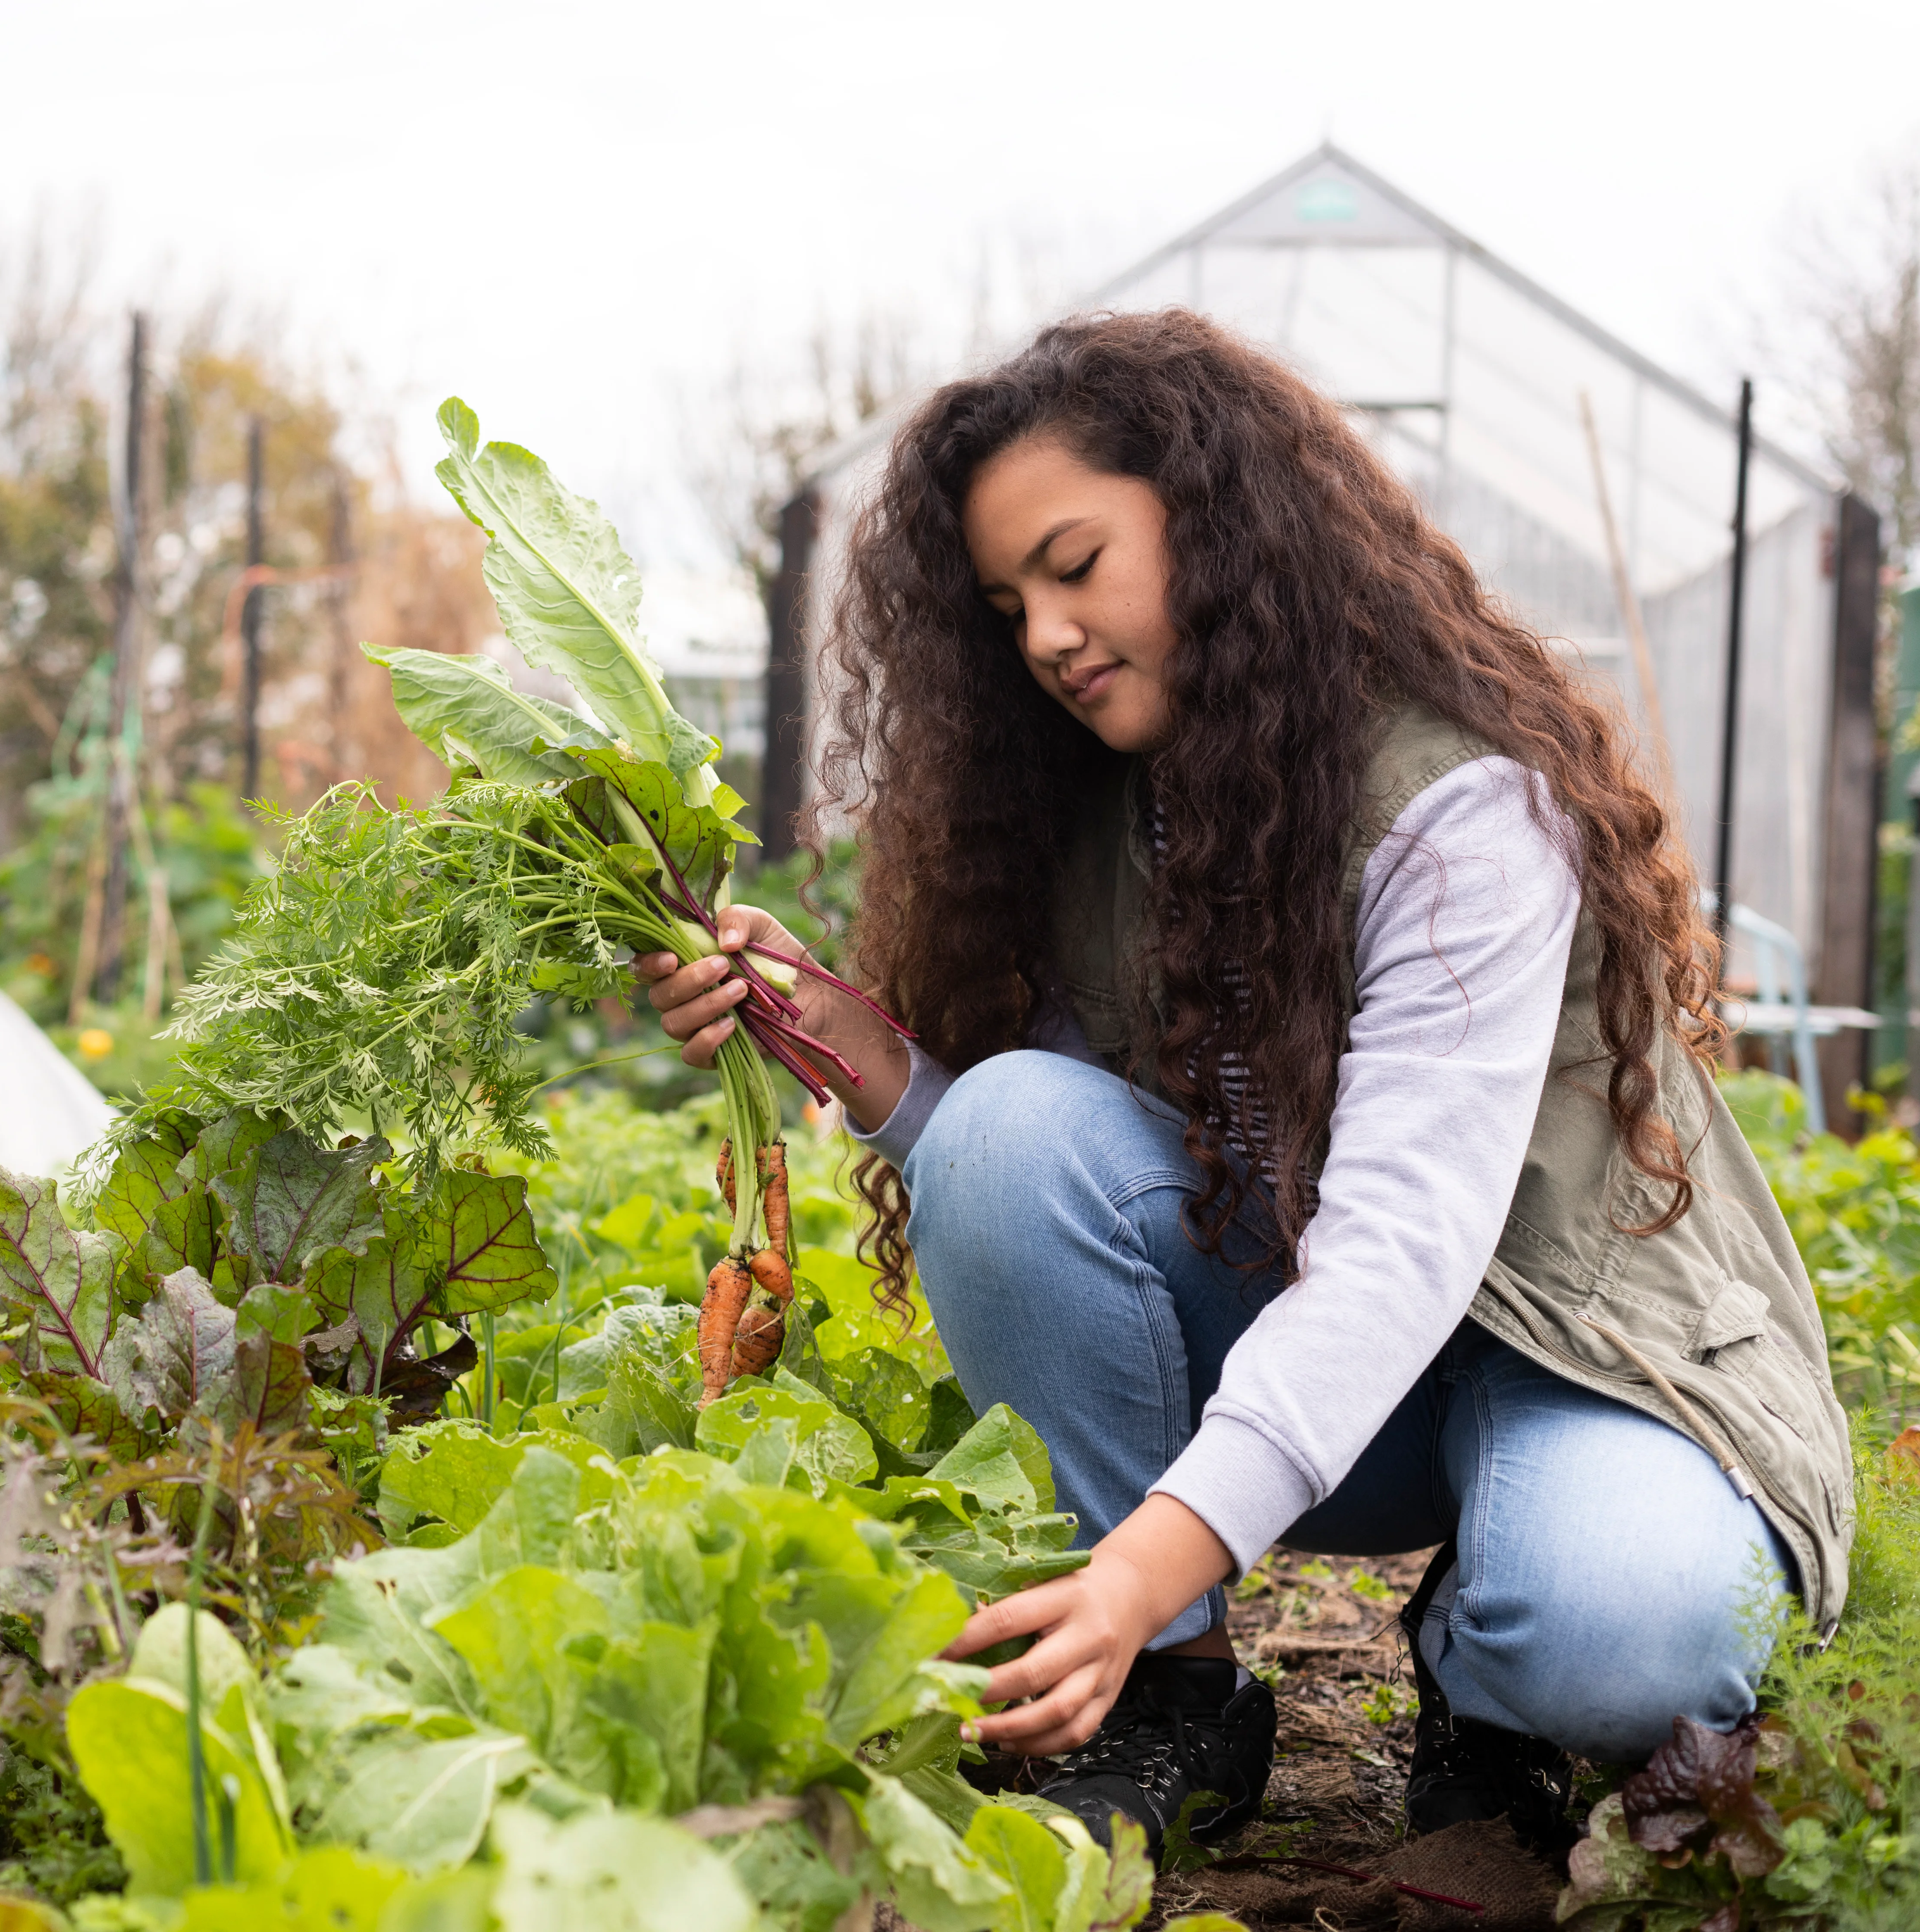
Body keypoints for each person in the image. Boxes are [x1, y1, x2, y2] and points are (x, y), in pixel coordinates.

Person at [635, 310, 1854, 1855]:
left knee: (1625, 1641)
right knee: (1009, 1118)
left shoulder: (1458, 808)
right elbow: (1053, 1179)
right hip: (1357, 1387)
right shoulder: (1097, 816)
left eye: (1076, 566)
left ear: (1213, 523)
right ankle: (1175, 1698)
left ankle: (1487, 1688)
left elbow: (1404, 1248)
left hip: (1580, 1355)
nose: (1047, 638)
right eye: (1009, 605)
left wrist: (1139, 1554)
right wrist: (849, 1047)